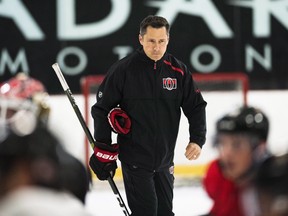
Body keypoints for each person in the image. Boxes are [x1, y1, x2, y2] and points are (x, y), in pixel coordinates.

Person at [89, 15, 207, 215]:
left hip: (164, 161)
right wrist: (104, 150)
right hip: (135, 160)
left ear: (168, 40)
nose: (156, 47)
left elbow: (196, 106)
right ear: (141, 39)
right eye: (151, 41)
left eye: (161, 41)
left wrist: (197, 139)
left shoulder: (178, 71)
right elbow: (101, 109)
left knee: (165, 213)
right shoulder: (123, 70)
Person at [0, 72, 91, 204]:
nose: (5, 118)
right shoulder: (71, 165)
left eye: (10, 111)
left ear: (31, 112)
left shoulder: (68, 168)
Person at [202, 106, 270, 216]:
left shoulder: (276, 186)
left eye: (237, 145)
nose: (226, 154)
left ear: (259, 149)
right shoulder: (217, 177)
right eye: (222, 143)